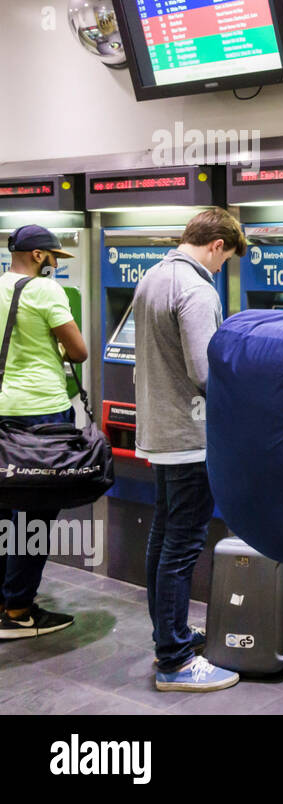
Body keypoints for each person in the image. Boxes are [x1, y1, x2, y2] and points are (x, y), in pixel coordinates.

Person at [134, 207, 245, 692]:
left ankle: (170, 634)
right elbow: (205, 371)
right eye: (225, 260)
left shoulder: (153, 277)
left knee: (164, 536)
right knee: (181, 544)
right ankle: (175, 661)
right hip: (189, 436)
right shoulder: (197, 288)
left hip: (160, 428)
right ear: (217, 245)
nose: (222, 270)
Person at [0, 226, 89, 640]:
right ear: (36, 256)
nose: (55, 262)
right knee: (35, 515)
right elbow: (79, 351)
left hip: (3, 407)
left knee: (4, 509)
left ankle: (5, 601)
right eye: (52, 256)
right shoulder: (44, 292)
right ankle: (18, 609)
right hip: (41, 412)